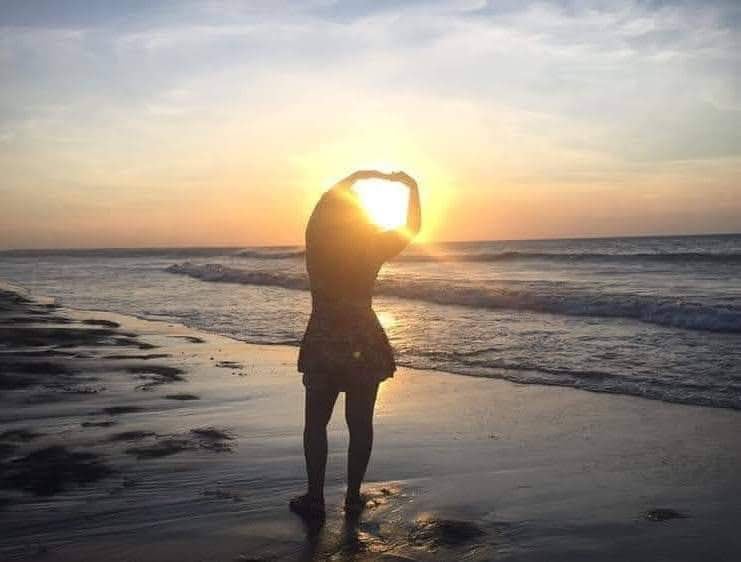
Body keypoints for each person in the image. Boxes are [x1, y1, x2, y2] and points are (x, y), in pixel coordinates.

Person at [290, 169, 421, 519]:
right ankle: (352, 496)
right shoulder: (371, 247)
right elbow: (412, 227)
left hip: (324, 341)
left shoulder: (318, 245)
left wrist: (356, 177)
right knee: (360, 423)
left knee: (316, 423)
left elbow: (322, 205)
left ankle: (315, 497)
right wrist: (411, 187)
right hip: (363, 340)